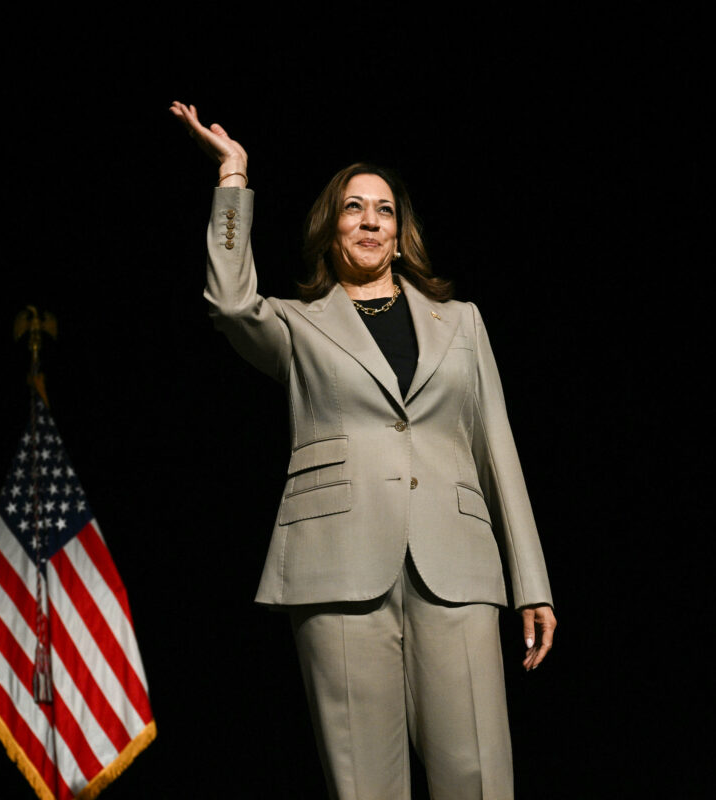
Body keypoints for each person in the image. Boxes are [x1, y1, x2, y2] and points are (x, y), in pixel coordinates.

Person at [171, 101, 557, 800]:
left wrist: (531, 582)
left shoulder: (462, 323)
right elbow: (228, 304)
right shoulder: (297, 325)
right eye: (354, 208)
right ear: (331, 227)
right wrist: (233, 176)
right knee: (364, 787)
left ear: (403, 234)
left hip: (459, 569)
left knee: (478, 778)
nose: (371, 220)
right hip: (337, 566)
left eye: (384, 210)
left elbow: (497, 449)